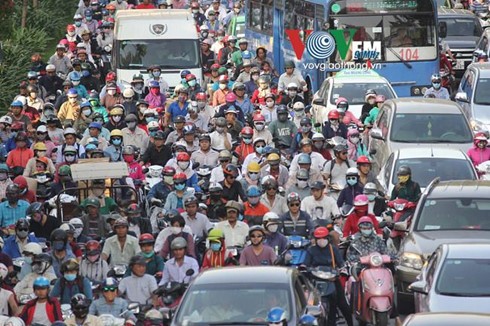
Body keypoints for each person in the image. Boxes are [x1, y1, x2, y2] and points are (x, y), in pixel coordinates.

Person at [304, 227, 353, 326]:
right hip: (316, 281)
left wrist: (343, 270)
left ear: (328, 238)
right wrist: (306, 270)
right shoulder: (311, 250)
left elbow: (341, 263)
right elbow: (306, 265)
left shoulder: (333, 249)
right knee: (308, 305)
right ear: (315, 239)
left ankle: (350, 323)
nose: (321, 241)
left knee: (343, 305)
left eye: (324, 238)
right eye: (319, 239)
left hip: (332, 280)